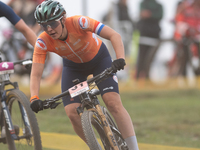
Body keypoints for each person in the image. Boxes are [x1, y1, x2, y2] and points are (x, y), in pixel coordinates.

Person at [29, 0, 139, 150]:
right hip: (73, 68)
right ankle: (95, 147)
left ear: (63, 18)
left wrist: (120, 58)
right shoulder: (42, 41)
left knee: (112, 103)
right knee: (72, 112)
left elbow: (114, 35)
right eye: (44, 26)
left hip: (100, 60)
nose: (49, 29)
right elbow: (35, 74)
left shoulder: (79, 22)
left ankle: (134, 148)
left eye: (53, 24)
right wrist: (34, 97)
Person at [135, 0, 163, 80]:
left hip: (154, 36)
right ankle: (138, 78)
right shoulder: (143, 3)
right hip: (143, 36)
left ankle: (147, 78)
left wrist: (149, 14)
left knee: (150, 59)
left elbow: (160, 15)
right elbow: (142, 14)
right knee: (141, 58)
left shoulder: (159, 5)